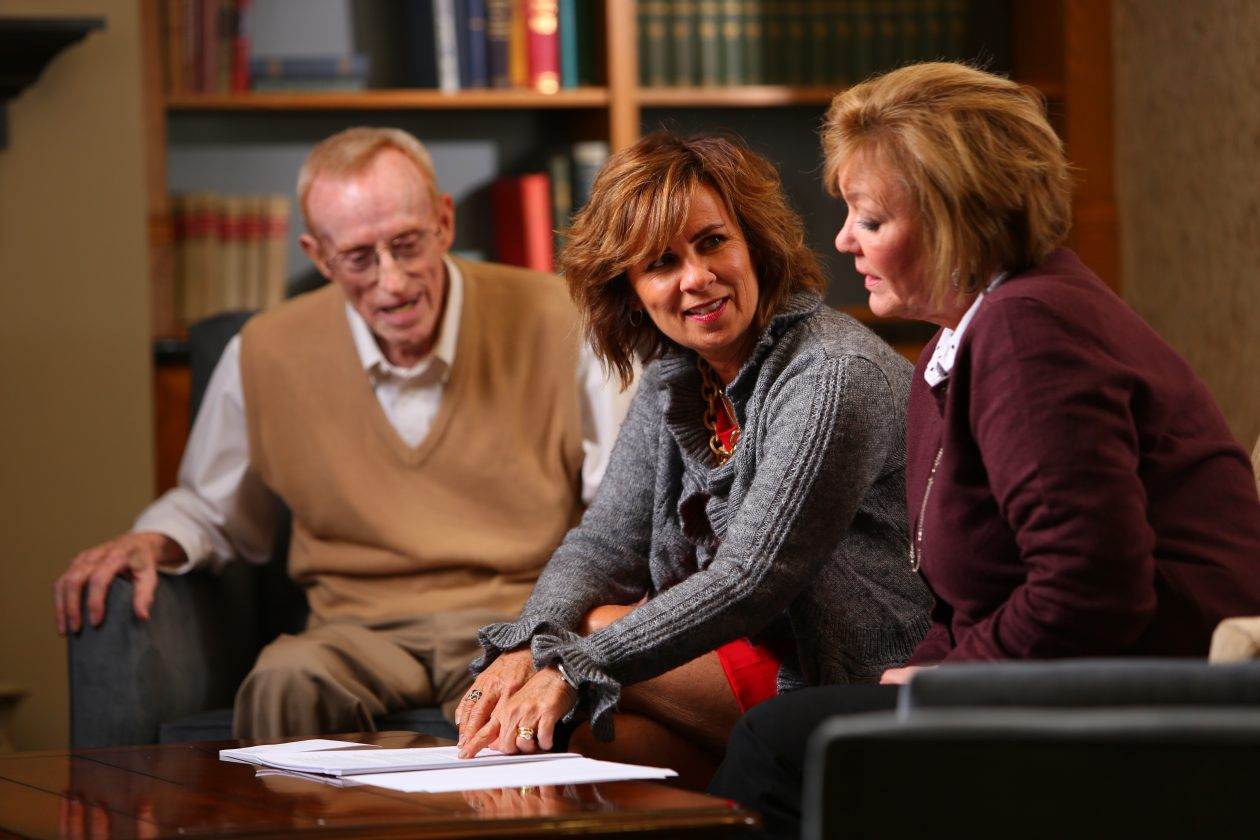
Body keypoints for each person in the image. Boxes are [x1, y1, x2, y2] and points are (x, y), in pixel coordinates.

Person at [709, 61, 1260, 838]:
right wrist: (927, 668)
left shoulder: (1029, 330)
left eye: (868, 220)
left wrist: (942, 682)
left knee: (777, 744)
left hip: (1154, 708)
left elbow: (1091, 587)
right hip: (1078, 687)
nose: (842, 240)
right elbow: (973, 601)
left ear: (948, 219)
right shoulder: (963, 342)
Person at [52, 127, 633, 739]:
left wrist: (560, 631)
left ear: (443, 221)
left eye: (408, 244)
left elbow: (621, 510)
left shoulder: (566, 320)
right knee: (284, 679)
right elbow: (211, 507)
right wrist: (152, 542)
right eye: (359, 258)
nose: (393, 282)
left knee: (523, 706)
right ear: (319, 255)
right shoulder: (263, 352)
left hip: (515, 622)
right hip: (355, 630)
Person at [454, 131, 932, 787]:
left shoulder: (831, 376)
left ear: (753, 243)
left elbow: (749, 580)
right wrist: (525, 641)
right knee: (567, 749)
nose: (696, 278)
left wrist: (566, 661)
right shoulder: (675, 376)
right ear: (630, 290)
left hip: (843, 671)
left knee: (594, 635)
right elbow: (602, 546)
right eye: (660, 264)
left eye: (712, 242)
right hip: (736, 657)